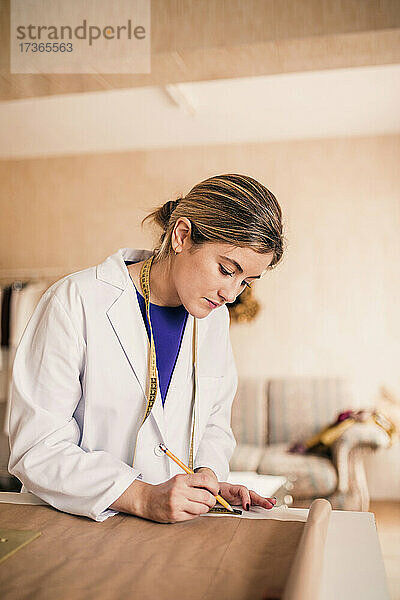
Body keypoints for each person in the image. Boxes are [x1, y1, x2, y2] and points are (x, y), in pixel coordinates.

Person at [8, 173, 284, 523]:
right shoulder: (75, 301)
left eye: (245, 282)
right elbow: (36, 448)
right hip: (73, 526)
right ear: (182, 235)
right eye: (227, 270)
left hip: (168, 534)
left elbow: (214, 420)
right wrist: (141, 496)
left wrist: (207, 480)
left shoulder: (213, 320)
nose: (231, 294)